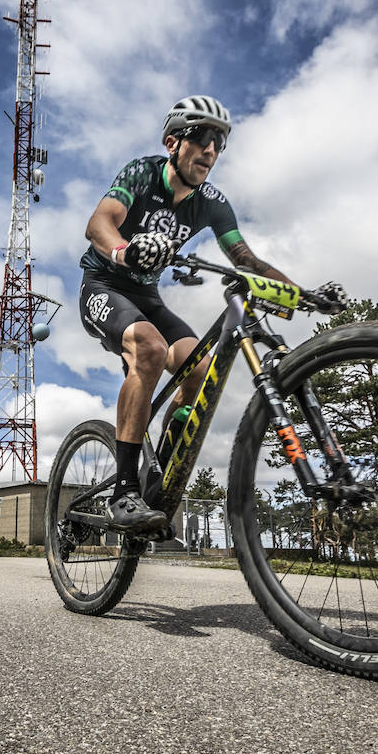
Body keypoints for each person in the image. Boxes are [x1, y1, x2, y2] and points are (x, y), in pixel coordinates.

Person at [78, 95, 302, 533]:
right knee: (149, 348)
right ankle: (123, 490)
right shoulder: (141, 173)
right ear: (172, 142)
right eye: (201, 138)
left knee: (200, 369)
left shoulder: (213, 202)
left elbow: (246, 260)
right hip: (104, 285)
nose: (211, 151)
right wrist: (124, 251)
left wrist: (299, 294)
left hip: (148, 298)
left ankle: (155, 475)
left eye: (219, 144)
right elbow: (99, 223)